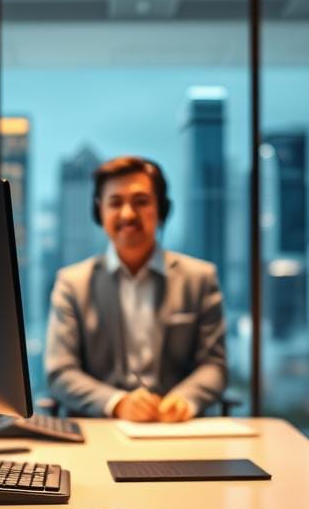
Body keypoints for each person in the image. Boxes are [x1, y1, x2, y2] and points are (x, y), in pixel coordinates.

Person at [44, 155, 227, 422]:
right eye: (115, 203)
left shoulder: (200, 279)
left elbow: (214, 366)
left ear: (162, 209)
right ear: (99, 211)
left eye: (141, 202)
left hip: (176, 426)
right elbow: (60, 372)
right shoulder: (72, 283)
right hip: (100, 426)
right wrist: (117, 403)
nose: (128, 214)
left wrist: (184, 400)